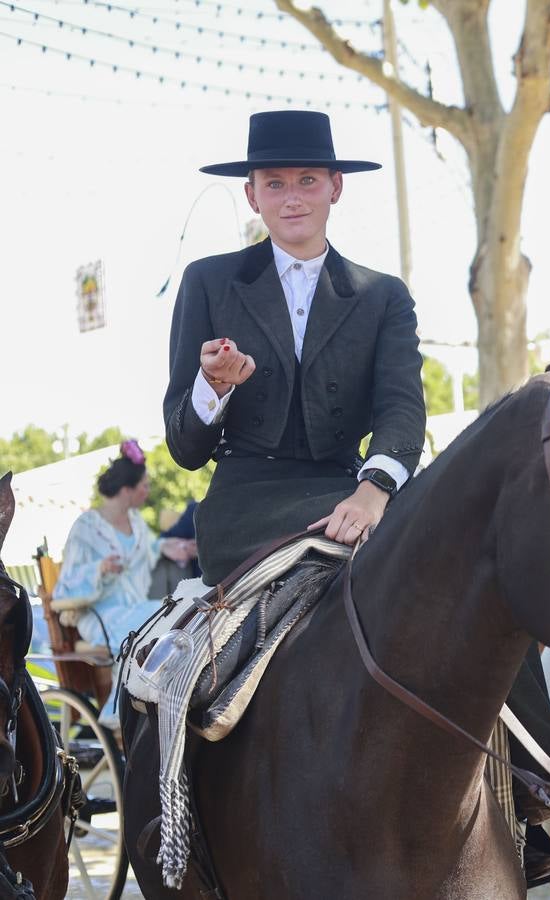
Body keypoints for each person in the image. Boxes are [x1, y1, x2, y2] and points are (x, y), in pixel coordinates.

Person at [163, 111, 425, 586]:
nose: (293, 199)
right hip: (244, 508)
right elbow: (184, 451)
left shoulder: (384, 296)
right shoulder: (207, 282)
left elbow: (402, 410)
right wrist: (214, 386)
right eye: (275, 184)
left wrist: (374, 489)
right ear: (252, 196)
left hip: (351, 492)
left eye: (307, 180)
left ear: (336, 187)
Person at [54, 440, 195, 724]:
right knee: (152, 620)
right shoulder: (86, 527)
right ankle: (119, 709)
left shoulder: (137, 522)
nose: (148, 491)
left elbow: (151, 549)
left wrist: (175, 547)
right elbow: (66, 584)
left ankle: (164, 695)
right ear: (127, 490)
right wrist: (99, 568)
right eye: (144, 485)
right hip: (98, 615)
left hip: (133, 606)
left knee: (175, 611)